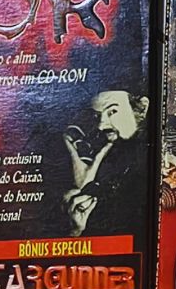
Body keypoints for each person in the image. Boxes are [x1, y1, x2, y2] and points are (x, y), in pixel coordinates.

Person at [63, 89, 150, 236]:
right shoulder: (105, 153)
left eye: (112, 112)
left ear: (143, 108)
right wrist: (76, 231)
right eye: (97, 116)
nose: (101, 126)